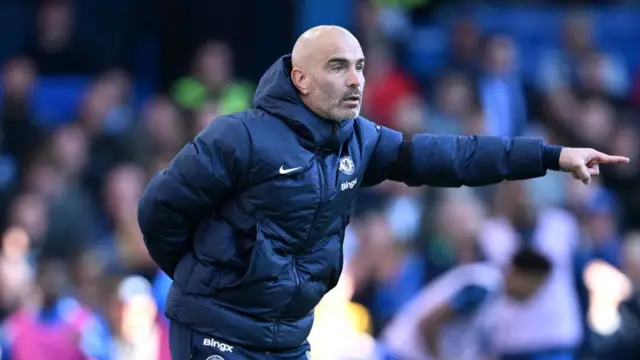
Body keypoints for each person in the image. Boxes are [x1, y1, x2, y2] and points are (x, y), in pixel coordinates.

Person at [137, 25, 630, 360]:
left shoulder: (362, 139)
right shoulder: (239, 136)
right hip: (215, 328)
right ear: (300, 78)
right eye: (337, 67)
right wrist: (206, 280)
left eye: (360, 66)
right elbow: (159, 213)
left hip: (288, 337)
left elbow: (452, 156)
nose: (355, 80)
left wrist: (550, 156)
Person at [380, 248, 553, 360]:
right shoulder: (483, 286)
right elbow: (429, 323)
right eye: (535, 285)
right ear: (520, 275)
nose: (535, 293)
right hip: (402, 353)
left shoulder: (495, 297)